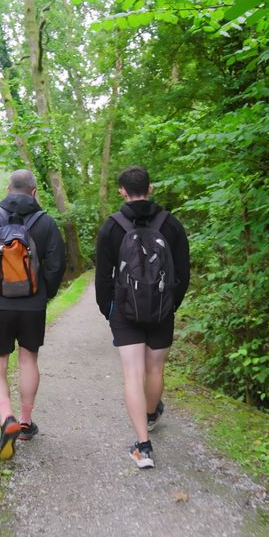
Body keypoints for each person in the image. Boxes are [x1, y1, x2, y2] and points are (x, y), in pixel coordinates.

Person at [95, 165, 190, 469]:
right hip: (163, 310)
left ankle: (143, 447)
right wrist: (171, 305)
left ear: (122, 191)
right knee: (155, 368)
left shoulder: (112, 227)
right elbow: (183, 274)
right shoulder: (171, 224)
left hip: (126, 311)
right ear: (150, 188)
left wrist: (110, 310)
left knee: (133, 374)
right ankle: (150, 414)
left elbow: (103, 278)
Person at [0, 169, 66, 461]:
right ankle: (24, 421)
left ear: (7, 189)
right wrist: (43, 294)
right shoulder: (46, 222)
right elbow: (56, 266)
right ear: (34, 192)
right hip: (32, 306)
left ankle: (5, 416)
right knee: (28, 360)